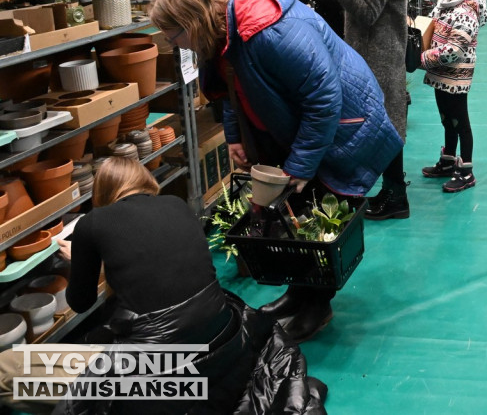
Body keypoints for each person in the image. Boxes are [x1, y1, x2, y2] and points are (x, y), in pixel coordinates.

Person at [149, 0, 401, 343]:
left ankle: (317, 306)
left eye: (173, 37)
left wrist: (300, 166)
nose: (175, 46)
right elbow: (233, 81)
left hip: (341, 123)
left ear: (192, 24)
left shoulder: (270, 33)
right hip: (301, 125)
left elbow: (324, 98)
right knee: (295, 213)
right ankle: (299, 293)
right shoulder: (224, 30)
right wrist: (235, 136)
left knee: (314, 216)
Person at [0, 158, 327, 415]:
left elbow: (81, 302)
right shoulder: (176, 205)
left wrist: (82, 261)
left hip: (164, 379)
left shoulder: (91, 224)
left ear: (103, 194)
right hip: (227, 354)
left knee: (7, 370)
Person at [316, 0, 411, 221]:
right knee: (386, 125)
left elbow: (367, 13)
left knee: (385, 127)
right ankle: (392, 192)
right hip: (380, 57)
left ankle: (396, 197)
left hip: (378, 59)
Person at [420, 0, 487, 192]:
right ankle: (448, 160)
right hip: (442, 74)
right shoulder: (446, 5)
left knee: (460, 122)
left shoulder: (466, 13)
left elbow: (454, 50)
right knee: (446, 118)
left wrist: (423, 58)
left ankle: (466, 171)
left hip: (456, 77)